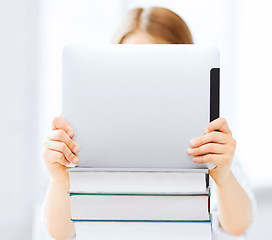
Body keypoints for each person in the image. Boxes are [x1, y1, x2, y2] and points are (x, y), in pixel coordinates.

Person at [42, 7, 255, 240]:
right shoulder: (87, 141)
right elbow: (60, 233)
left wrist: (223, 176)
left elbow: (237, 226)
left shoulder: (211, 144)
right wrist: (59, 177)